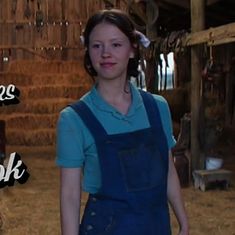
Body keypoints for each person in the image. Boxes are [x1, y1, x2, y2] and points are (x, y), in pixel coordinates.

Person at [56, 9, 189, 235]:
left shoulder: (158, 108)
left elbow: (168, 173)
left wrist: (183, 221)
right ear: (88, 51)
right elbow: (69, 195)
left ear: (132, 49)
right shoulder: (74, 119)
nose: (106, 53)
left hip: (156, 227)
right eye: (97, 46)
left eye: (116, 45)